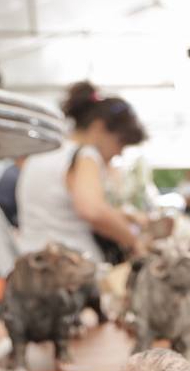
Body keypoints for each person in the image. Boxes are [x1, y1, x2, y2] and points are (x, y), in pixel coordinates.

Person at [16, 82, 147, 261]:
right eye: (120, 143)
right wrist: (133, 240)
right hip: (71, 268)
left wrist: (122, 216)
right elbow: (92, 210)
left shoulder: (44, 152)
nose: (119, 152)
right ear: (99, 127)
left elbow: (59, 209)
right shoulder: (84, 155)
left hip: (31, 262)